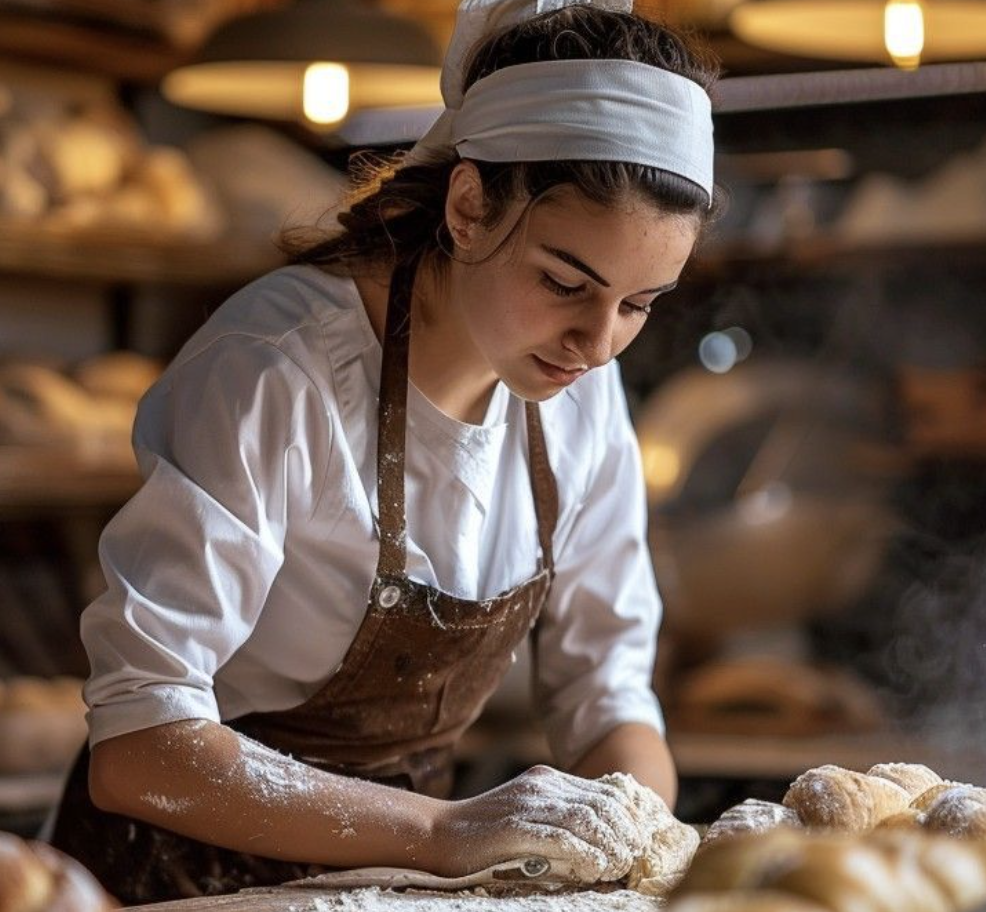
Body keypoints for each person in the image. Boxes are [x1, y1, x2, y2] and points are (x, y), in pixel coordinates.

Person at [50, 0, 719, 904]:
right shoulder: (277, 370)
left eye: (639, 305)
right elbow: (138, 745)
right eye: (565, 282)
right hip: (173, 881)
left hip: (389, 887)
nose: (598, 345)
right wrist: (444, 832)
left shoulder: (579, 400)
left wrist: (634, 838)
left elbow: (607, 692)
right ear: (470, 207)